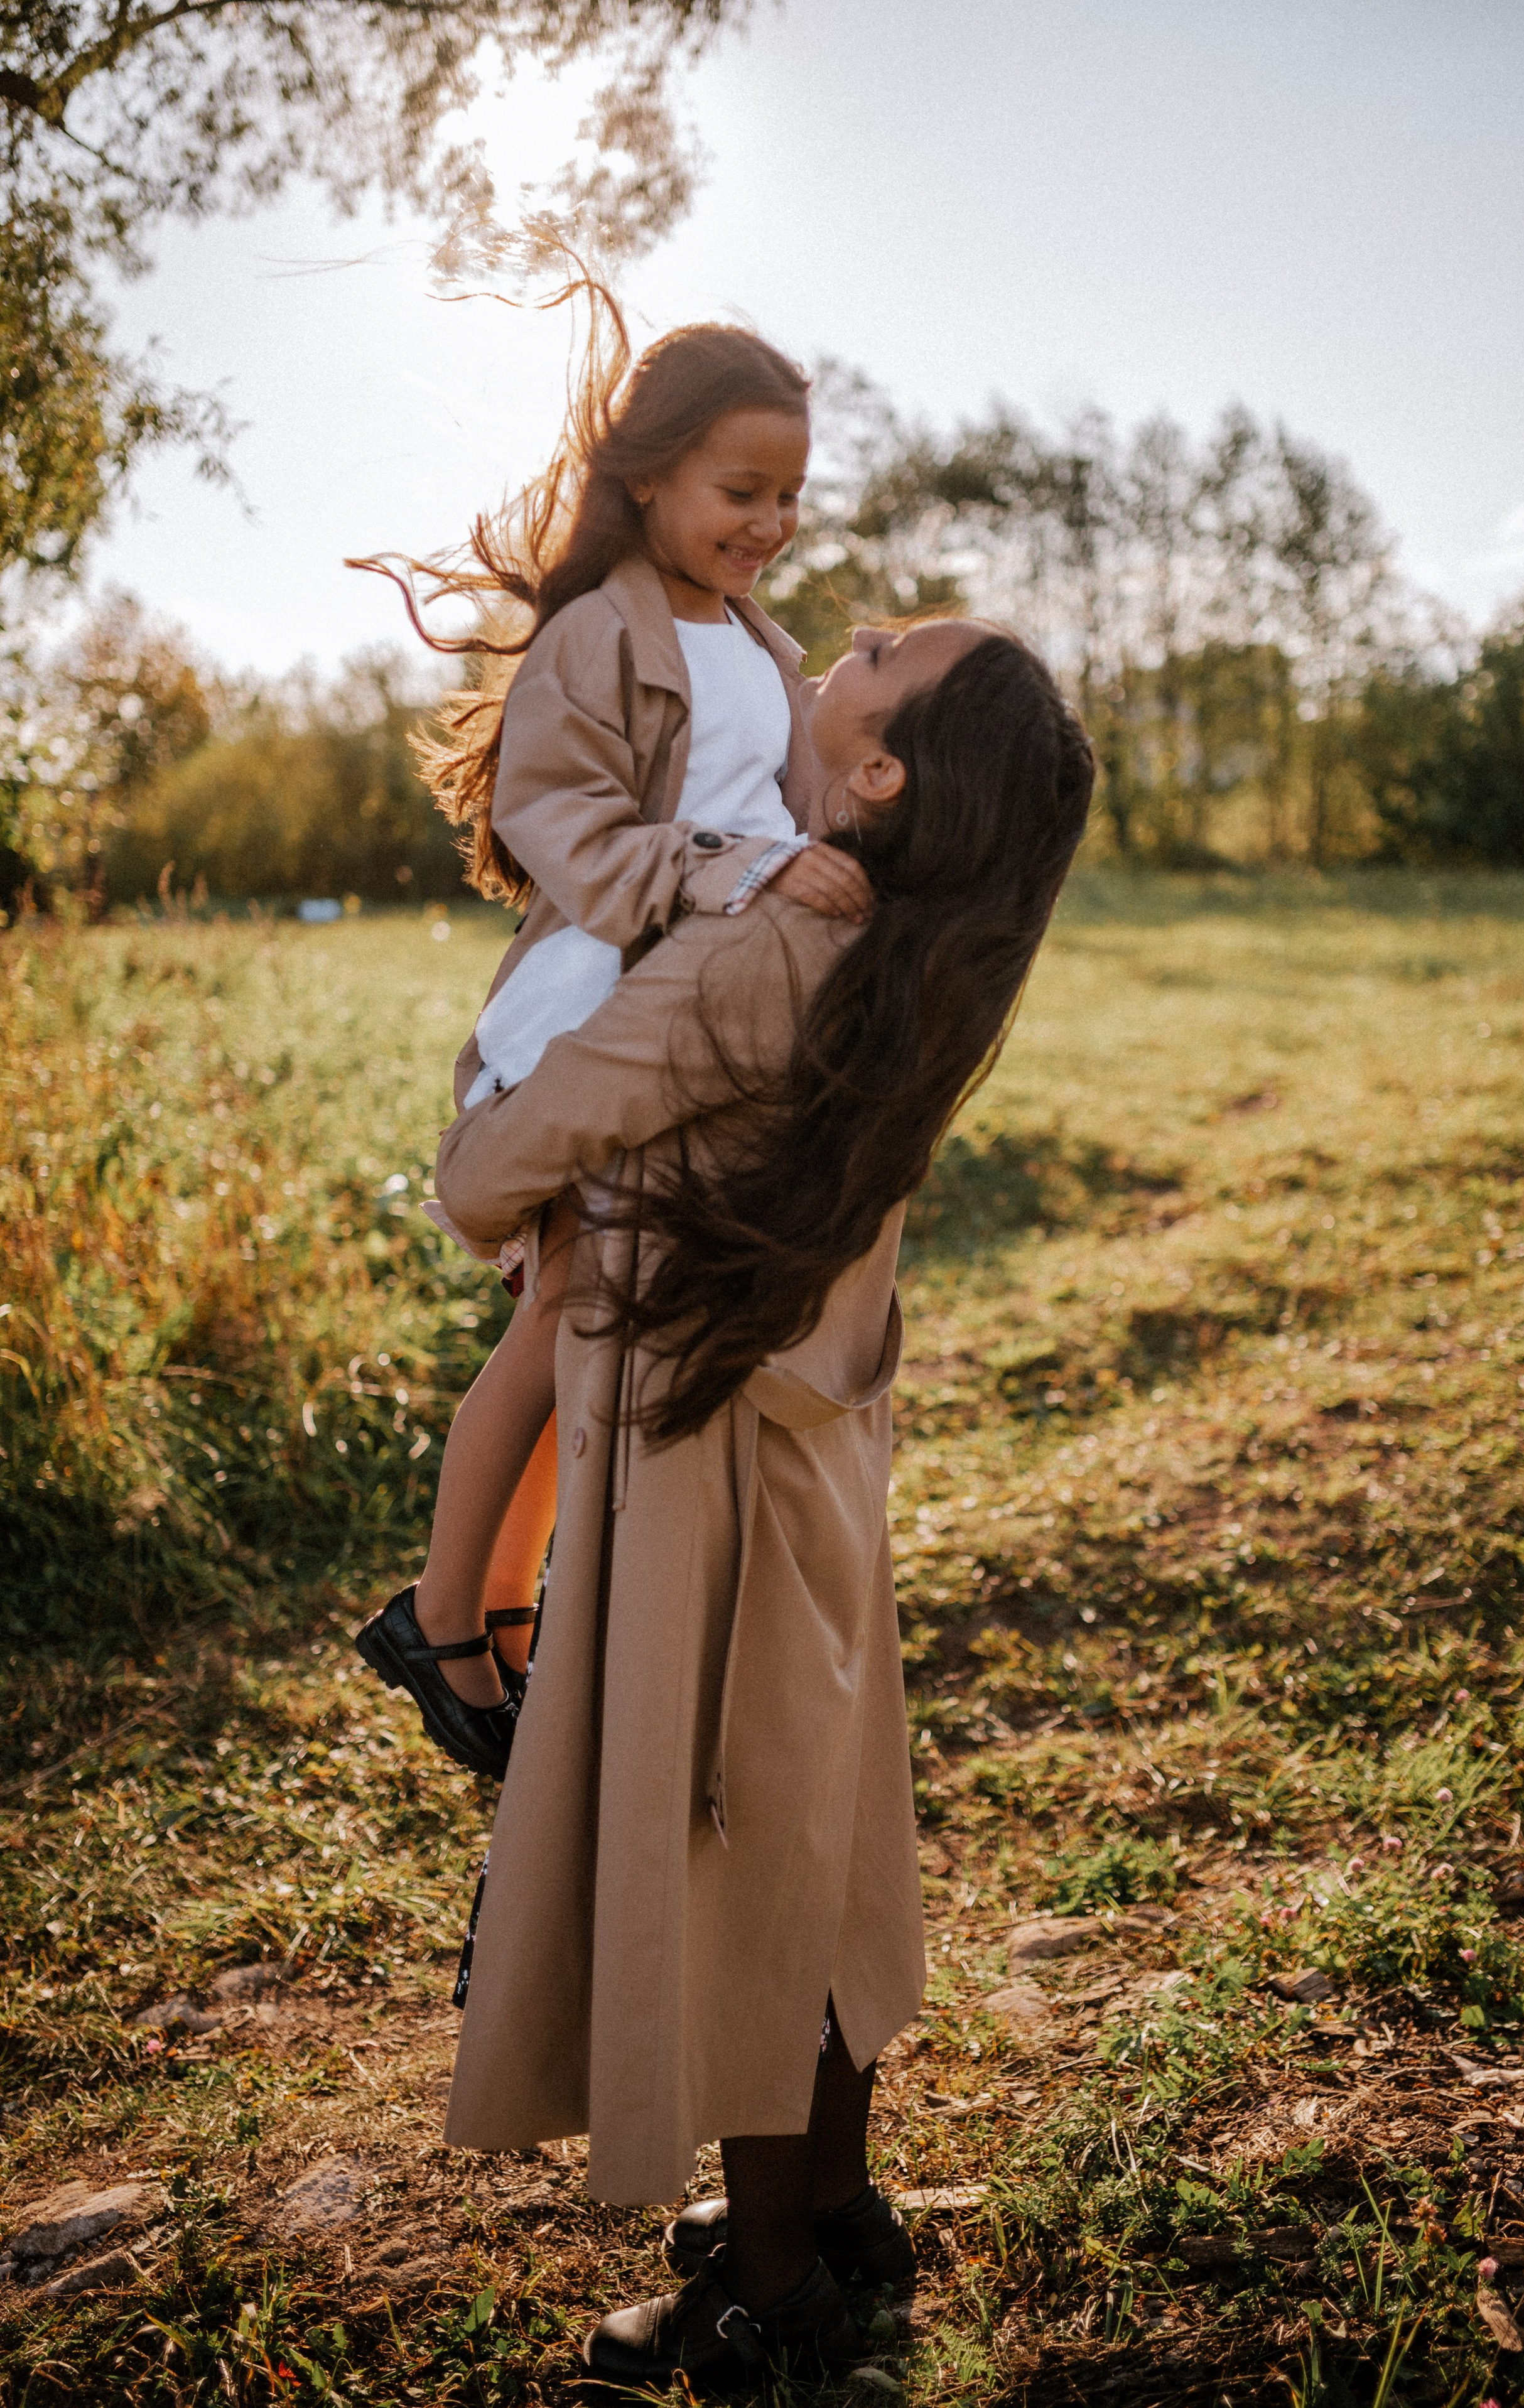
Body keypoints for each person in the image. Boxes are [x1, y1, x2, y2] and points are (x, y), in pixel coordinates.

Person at [431, 615, 1096, 2388]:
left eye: (867, 651)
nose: (827, 645)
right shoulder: (918, 945)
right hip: (817, 1444)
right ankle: (838, 2202)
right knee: (817, 1830)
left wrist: (502, 1090)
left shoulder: (755, 952)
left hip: (700, 1462)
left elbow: (497, 1165)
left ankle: (769, 2285)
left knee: (729, 1855)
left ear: (875, 770)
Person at [347, 291, 875, 1778]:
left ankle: (504, 1613)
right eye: (740, 490)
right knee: (562, 1311)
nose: (770, 523)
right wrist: (722, 868)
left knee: (578, 1326)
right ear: (646, 476)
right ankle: (441, 1612)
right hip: (590, 1004)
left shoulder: (758, 645)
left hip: (691, 1007)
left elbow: (790, 817)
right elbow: (560, 825)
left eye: (789, 496)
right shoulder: (599, 635)